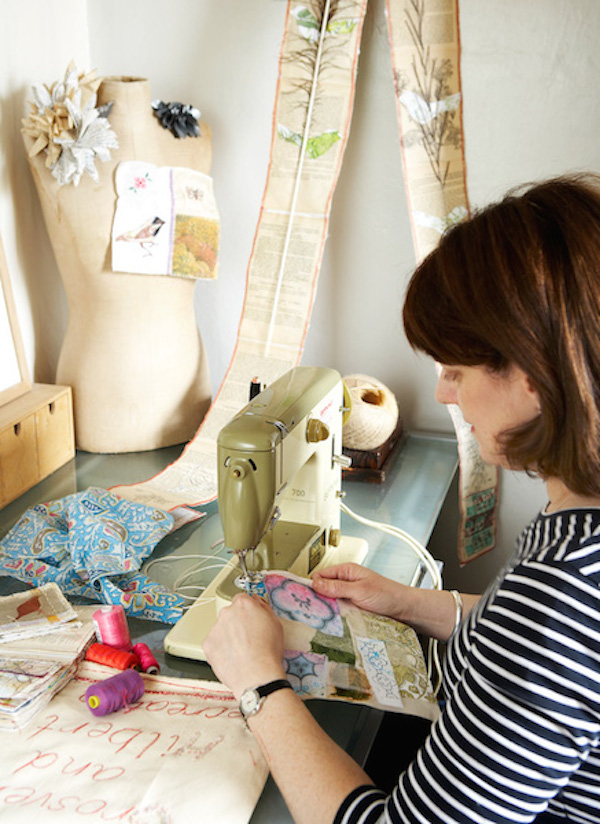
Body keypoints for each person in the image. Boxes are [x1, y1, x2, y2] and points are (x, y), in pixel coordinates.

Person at [204, 173, 600, 824]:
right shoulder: (578, 520)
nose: (446, 394)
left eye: (457, 371)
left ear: (530, 376)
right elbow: (550, 656)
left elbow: (546, 636)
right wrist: (413, 604)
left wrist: (259, 685)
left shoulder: (560, 592)